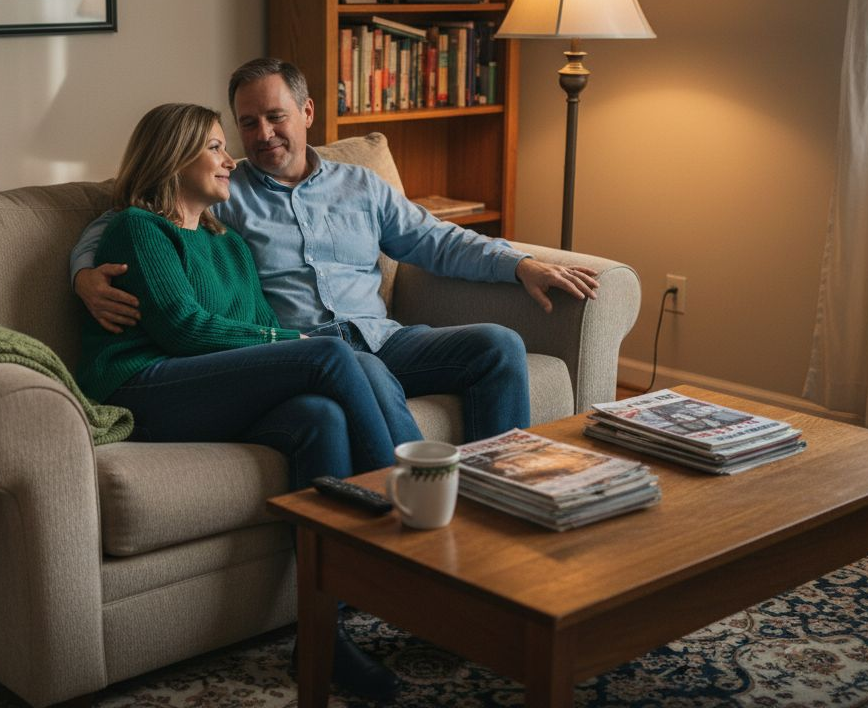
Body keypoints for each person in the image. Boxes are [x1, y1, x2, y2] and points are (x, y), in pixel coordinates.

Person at [72, 58, 600, 447]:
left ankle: (502, 487)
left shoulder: (361, 186)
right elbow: (130, 213)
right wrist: (84, 274)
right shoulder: (224, 197)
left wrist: (519, 264)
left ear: (306, 112)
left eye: (275, 117)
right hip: (305, 351)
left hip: (382, 338)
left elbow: (434, 239)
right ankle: (420, 495)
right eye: (248, 123)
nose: (262, 135)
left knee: (497, 346)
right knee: (348, 371)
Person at [77, 102, 403, 702]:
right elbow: (183, 328)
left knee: (319, 415)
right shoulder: (138, 229)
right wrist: (295, 343)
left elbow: (250, 326)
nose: (231, 159)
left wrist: (282, 345)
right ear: (174, 159)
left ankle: (321, 638)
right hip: (144, 383)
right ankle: (406, 520)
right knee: (329, 355)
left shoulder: (227, 243)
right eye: (214, 147)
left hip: (206, 386)